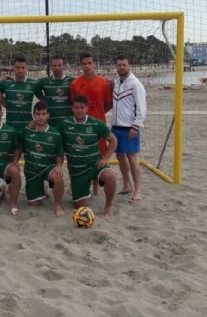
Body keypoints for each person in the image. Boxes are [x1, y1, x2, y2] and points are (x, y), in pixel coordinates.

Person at [59, 95, 118, 216]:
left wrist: (106, 158)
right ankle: (85, 191)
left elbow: (113, 141)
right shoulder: (64, 124)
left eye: (82, 107)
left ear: (87, 108)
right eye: (76, 107)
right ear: (72, 108)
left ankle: (108, 206)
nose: (79, 110)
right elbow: (52, 135)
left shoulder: (97, 124)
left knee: (111, 176)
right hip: (77, 171)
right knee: (80, 207)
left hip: (94, 164)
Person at [70, 52, 113, 195]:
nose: (87, 66)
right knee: (80, 155)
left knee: (98, 156)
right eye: (84, 63)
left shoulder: (103, 82)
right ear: (80, 66)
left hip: (98, 126)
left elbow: (108, 104)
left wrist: (98, 116)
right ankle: (81, 185)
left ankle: (96, 187)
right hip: (80, 127)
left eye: (90, 63)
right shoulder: (75, 84)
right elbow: (75, 105)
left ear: (94, 64)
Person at [16, 101, 66, 217]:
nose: (41, 117)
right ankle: (42, 188)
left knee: (58, 176)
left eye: (43, 114)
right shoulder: (26, 132)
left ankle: (57, 205)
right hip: (32, 172)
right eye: (38, 114)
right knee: (35, 204)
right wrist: (15, 161)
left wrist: (58, 166)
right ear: (34, 115)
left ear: (48, 115)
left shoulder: (55, 134)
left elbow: (60, 155)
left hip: (47, 168)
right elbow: (16, 144)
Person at [111, 55, 147, 204]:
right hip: (116, 126)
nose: (121, 67)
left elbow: (142, 107)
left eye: (124, 65)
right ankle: (127, 185)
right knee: (120, 156)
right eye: (119, 65)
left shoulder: (136, 84)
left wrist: (136, 126)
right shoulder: (116, 83)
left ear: (129, 65)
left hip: (129, 128)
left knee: (132, 158)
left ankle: (137, 191)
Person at [34, 55, 74, 128]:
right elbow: (35, 89)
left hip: (68, 122)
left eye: (59, 65)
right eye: (54, 65)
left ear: (64, 66)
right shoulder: (44, 81)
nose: (57, 68)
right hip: (51, 122)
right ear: (51, 67)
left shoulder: (72, 81)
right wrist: (43, 100)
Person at [0, 55, 36, 131]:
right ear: (13, 68)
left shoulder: (34, 83)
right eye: (18, 67)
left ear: (26, 69)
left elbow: (43, 101)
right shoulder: (6, 83)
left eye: (23, 68)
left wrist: (37, 119)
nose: (20, 70)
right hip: (10, 128)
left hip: (28, 127)